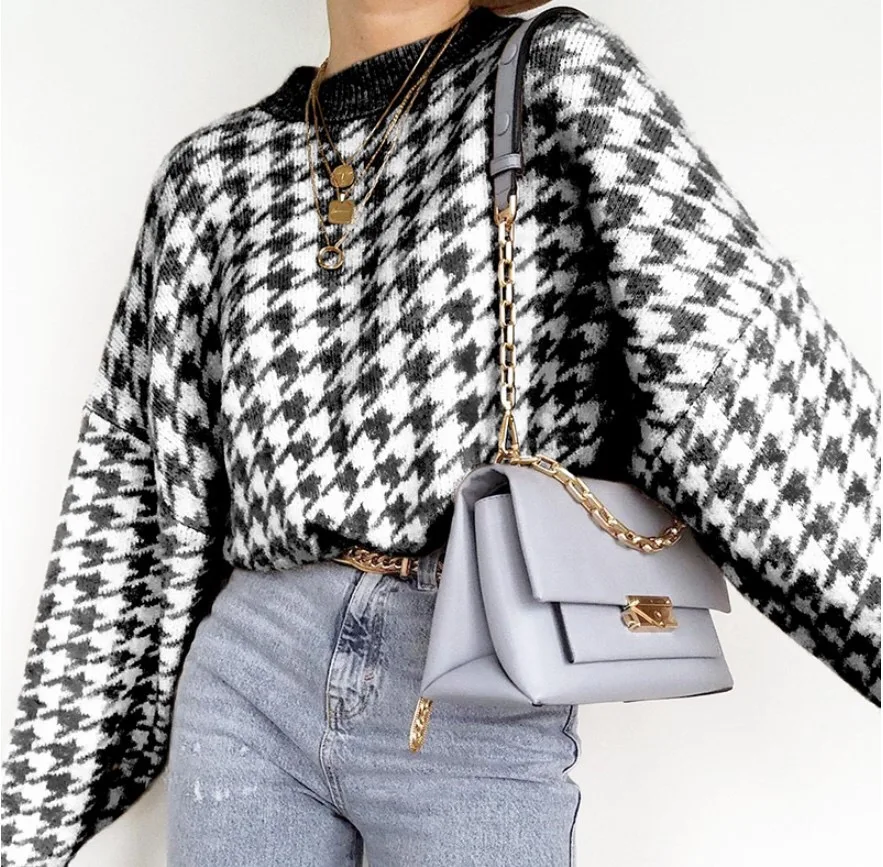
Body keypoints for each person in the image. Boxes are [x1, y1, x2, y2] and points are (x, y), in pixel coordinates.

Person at [1, 0, 879, 865]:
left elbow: (730, 360)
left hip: (477, 674)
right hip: (247, 680)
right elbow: (133, 483)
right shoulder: (211, 173)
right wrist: (32, 823)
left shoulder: (556, 77)